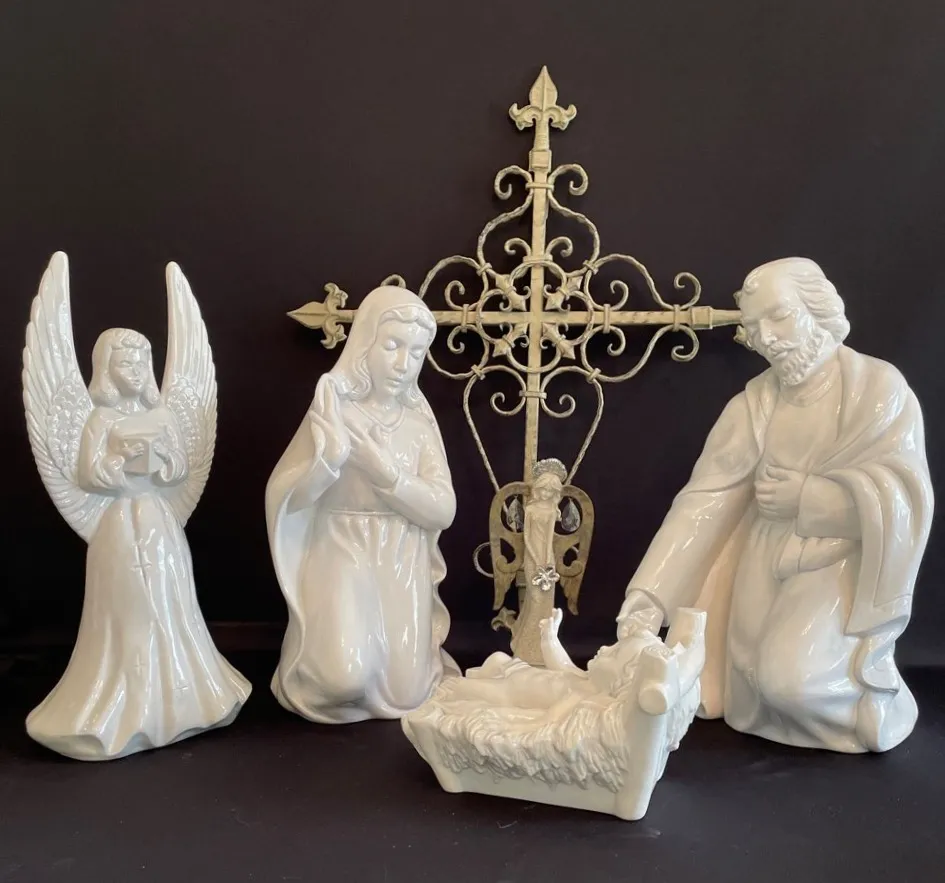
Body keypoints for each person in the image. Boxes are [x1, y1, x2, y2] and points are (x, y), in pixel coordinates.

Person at [618, 257, 933, 753]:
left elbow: (906, 496)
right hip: (765, 562)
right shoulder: (755, 405)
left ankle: (866, 707)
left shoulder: (877, 390)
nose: (767, 338)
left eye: (780, 317)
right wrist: (648, 600)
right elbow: (705, 500)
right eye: (753, 327)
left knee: (791, 684)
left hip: (837, 564)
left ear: (818, 309)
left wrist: (810, 497)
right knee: (752, 680)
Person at [266, 285, 458, 724]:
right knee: (342, 680)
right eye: (391, 345)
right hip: (341, 549)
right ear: (365, 343)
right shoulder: (336, 412)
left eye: (415, 352)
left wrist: (385, 473)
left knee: (409, 692)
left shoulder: (418, 425)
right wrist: (328, 461)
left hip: (401, 556)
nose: (402, 363)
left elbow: (443, 510)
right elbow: (289, 501)